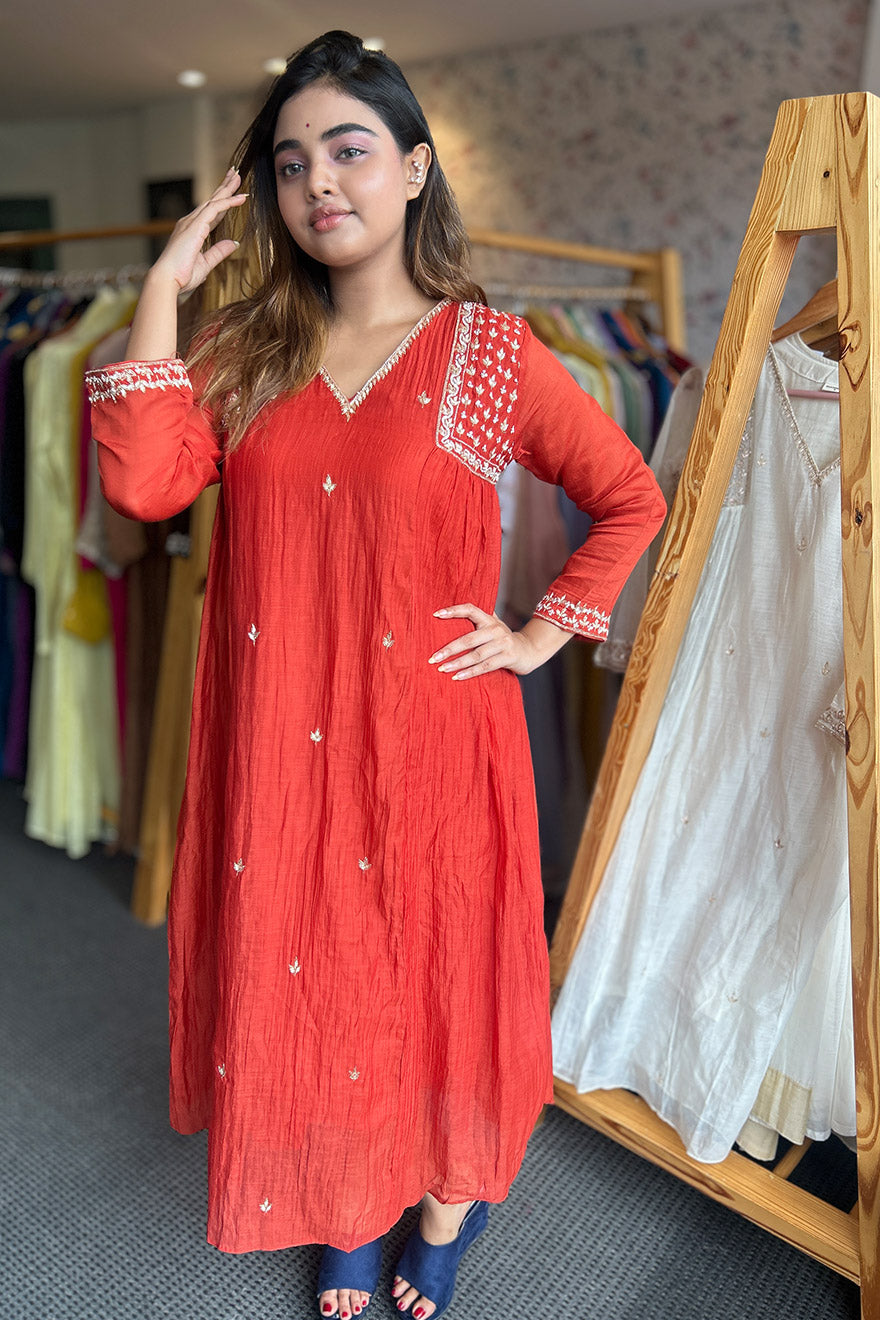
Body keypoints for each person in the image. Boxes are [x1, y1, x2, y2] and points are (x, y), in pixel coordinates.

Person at [85, 29, 666, 1320]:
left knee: (433, 963)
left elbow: (630, 496)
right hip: (282, 735)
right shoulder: (249, 353)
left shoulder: (489, 355)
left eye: (348, 151)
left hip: (433, 734)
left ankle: (445, 1204)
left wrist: (541, 632)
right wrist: (168, 282)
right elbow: (143, 485)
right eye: (290, 164)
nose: (318, 185)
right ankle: (350, 1199)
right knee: (320, 963)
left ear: (414, 168)